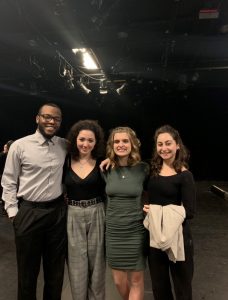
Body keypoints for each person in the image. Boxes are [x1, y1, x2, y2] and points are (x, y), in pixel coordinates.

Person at [1, 103, 67, 300]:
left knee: (55, 273)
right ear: (37, 118)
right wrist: (13, 213)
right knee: (27, 274)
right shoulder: (20, 146)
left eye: (56, 119)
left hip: (56, 213)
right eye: (47, 117)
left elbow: (88, 151)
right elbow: (9, 180)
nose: (51, 121)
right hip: (28, 212)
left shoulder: (64, 145)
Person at [143, 124, 196, 300]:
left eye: (168, 143)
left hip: (178, 237)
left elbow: (189, 211)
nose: (164, 148)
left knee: (182, 286)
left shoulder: (184, 175)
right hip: (155, 236)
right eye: (160, 144)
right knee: (159, 286)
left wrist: (157, 211)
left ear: (177, 145)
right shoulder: (152, 171)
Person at [102, 126, 149, 300]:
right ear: (111, 145)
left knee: (136, 280)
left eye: (125, 141)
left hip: (135, 230)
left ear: (132, 144)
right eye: (117, 141)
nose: (121, 144)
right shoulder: (106, 169)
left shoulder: (144, 169)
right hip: (114, 231)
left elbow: (160, 188)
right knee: (118, 281)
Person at [64, 119, 106, 300]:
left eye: (90, 140)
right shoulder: (65, 161)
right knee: (76, 267)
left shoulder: (103, 163)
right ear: (75, 139)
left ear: (96, 142)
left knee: (97, 267)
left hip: (97, 212)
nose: (85, 144)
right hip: (72, 214)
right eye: (82, 139)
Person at [0, 140, 14, 216]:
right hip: (5, 176)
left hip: (13, 176)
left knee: (9, 192)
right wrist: (4, 152)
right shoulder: (4, 155)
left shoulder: (15, 154)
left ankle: (9, 208)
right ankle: (5, 209)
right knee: (6, 191)